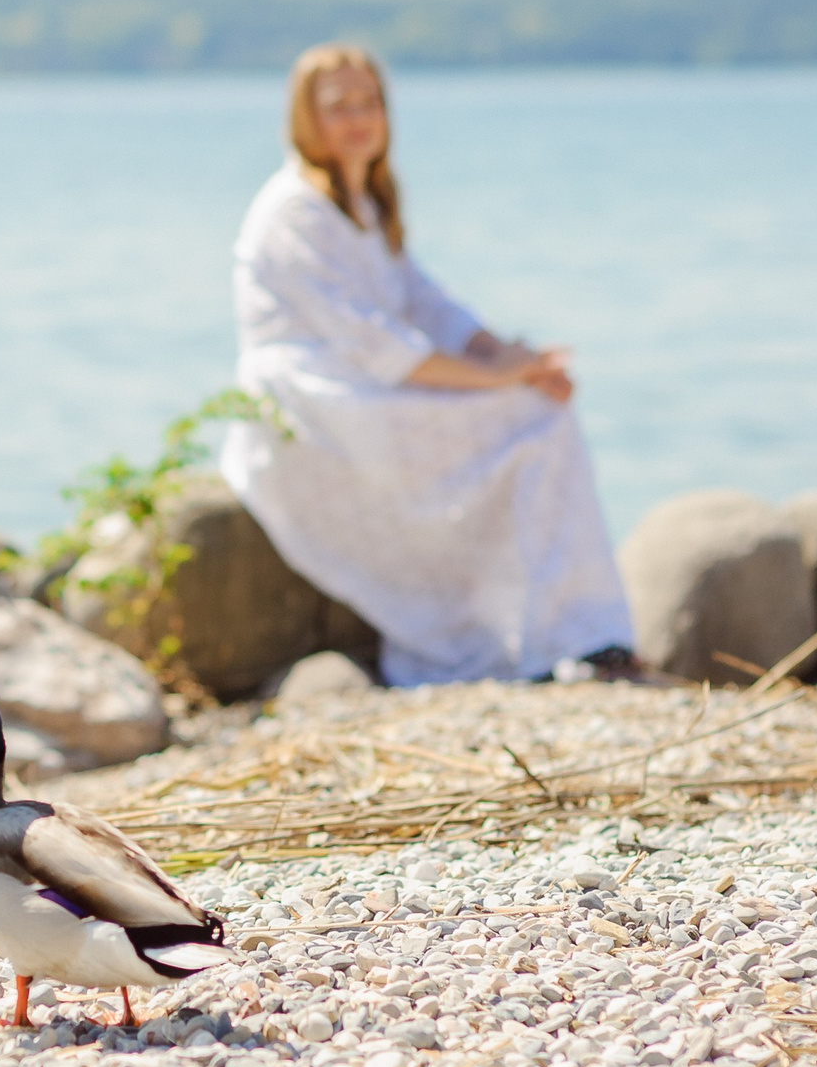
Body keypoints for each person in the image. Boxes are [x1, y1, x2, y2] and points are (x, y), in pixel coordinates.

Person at [221, 44, 637, 687]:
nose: (358, 119)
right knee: (526, 416)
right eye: (338, 107)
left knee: (541, 408)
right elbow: (375, 343)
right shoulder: (293, 210)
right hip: (312, 402)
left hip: (361, 382)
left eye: (370, 103)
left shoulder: (364, 203)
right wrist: (501, 379)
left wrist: (510, 355)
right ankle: (551, 637)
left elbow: (428, 304)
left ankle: (575, 632)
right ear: (305, 118)